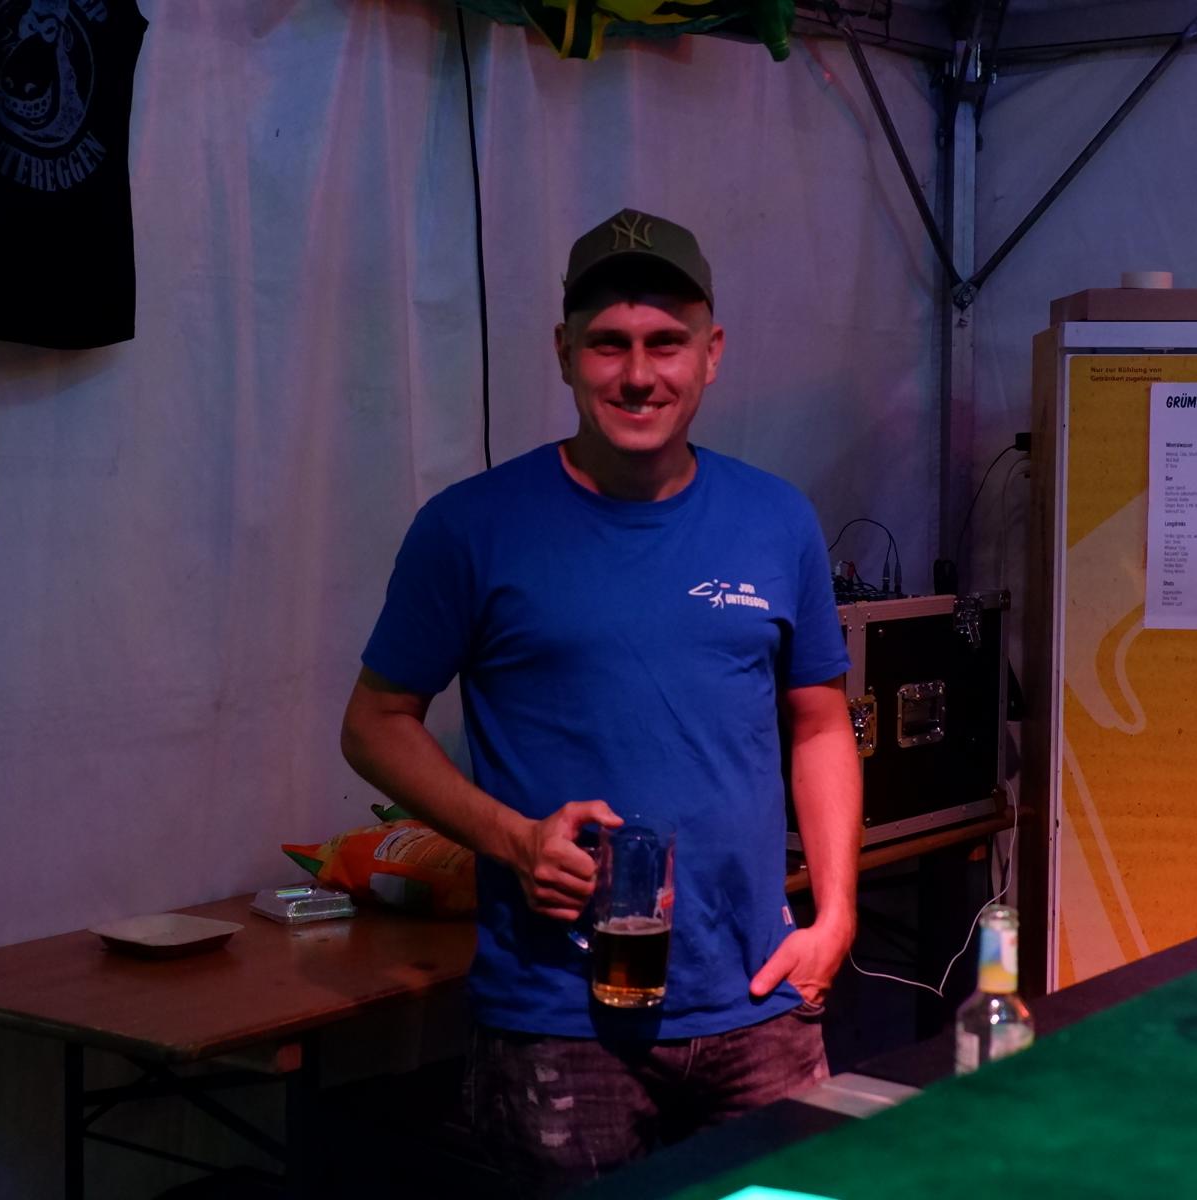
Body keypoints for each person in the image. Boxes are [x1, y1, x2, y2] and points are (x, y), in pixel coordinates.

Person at [341, 208, 861, 1194]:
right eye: (609, 344)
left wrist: (835, 914)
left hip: (760, 1001)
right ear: (563, 354)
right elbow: (373, 724)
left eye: (666, 342)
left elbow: (821, 723)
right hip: (559, 1021)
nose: (638, 375)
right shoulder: (472, 528)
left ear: (712, 353)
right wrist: (513, 840)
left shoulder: (776, 519)